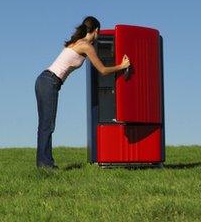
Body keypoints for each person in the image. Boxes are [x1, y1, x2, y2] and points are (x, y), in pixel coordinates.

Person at [35, 16, 131, 168]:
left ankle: (43, 163)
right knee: (48, 125)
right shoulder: (86, 46)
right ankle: (45, 164)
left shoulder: (77, 42)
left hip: (44, 80)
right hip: (50, 82)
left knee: (45, 124)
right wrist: (122, 65)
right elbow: (103, 70)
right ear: (96, 30)